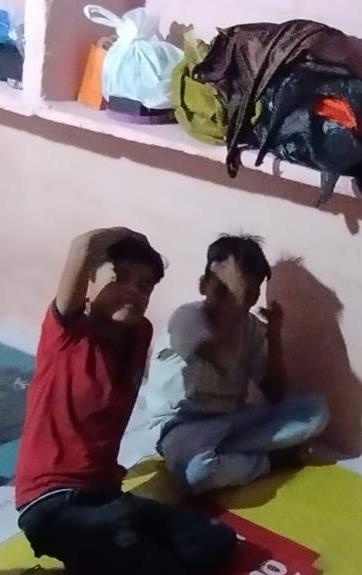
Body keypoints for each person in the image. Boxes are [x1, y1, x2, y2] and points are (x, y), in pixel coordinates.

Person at [13, 227, 237, 575]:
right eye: (119, 277)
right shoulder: (67, 332)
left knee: (217, 540)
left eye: (144, 286)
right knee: (161, 567)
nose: (133, 290)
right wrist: (133, 236)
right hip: (52, 502)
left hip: (106, 497)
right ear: (90, 282)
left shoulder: (139, 334)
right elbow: (82, 246)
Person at [151, 234, 329, 494]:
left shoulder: (251, 328)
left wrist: (274, 338)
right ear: (203, 285)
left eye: (247, 295)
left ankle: (224, 452)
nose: (236, 301)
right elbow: (219, 360)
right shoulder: (187, 318)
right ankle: (270, 461)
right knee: (196, 474)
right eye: (224, 289)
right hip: (179, 425)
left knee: (315, 410)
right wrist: (234, 303)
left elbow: (275, 394)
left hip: (230, 422)